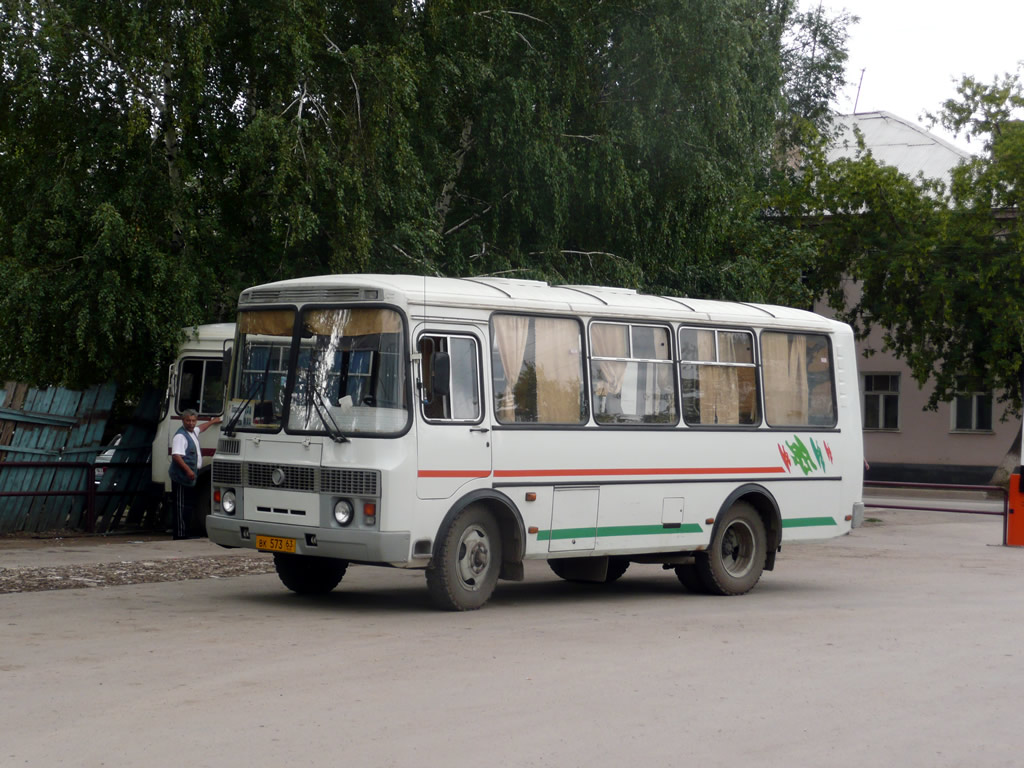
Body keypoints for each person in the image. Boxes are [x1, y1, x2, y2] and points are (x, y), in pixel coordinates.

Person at [169, 409, 222, 540]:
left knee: (188, 505)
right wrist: (188, 470)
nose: (191, 423)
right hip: (182, 477)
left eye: (193, 421)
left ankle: (186, 531)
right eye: (188, 421)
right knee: (181, 506)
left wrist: (213, 421)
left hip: (190, 475)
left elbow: (201, 428)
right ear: (183, 420)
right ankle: (180, 534)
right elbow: (176, 456)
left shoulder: (192, 432)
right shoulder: (180, 436)